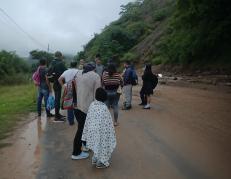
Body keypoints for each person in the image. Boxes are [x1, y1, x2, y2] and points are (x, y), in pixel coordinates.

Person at [71, 62, 101, 160]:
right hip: (87, 107)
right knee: (81, 130)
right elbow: (98, 94)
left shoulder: (78, 74)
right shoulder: (95, 76)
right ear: (94, 69)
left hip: (77, 105)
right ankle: (76, 153)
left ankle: (85, 146)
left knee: (83, 128)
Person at [82, 87, 116, 169]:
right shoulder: (104, 108)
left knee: (96, 145)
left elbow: (88, 118)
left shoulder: (92, 104)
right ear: (104, 97)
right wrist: (110, 132)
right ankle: (101, 162)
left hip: (92, 131)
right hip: (100, 131)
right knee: (102, 145)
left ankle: (95, 158)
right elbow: (108, 123)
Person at [48, 51, 67, 122]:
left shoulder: (52, 63)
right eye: (61, 56)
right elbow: (66, 71)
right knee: (57, 99)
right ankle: (57, 116)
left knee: (57, 99)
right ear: (60, 56)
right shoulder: (60, 63)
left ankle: (57, 114)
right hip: (59, 82)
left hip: (55, 83)